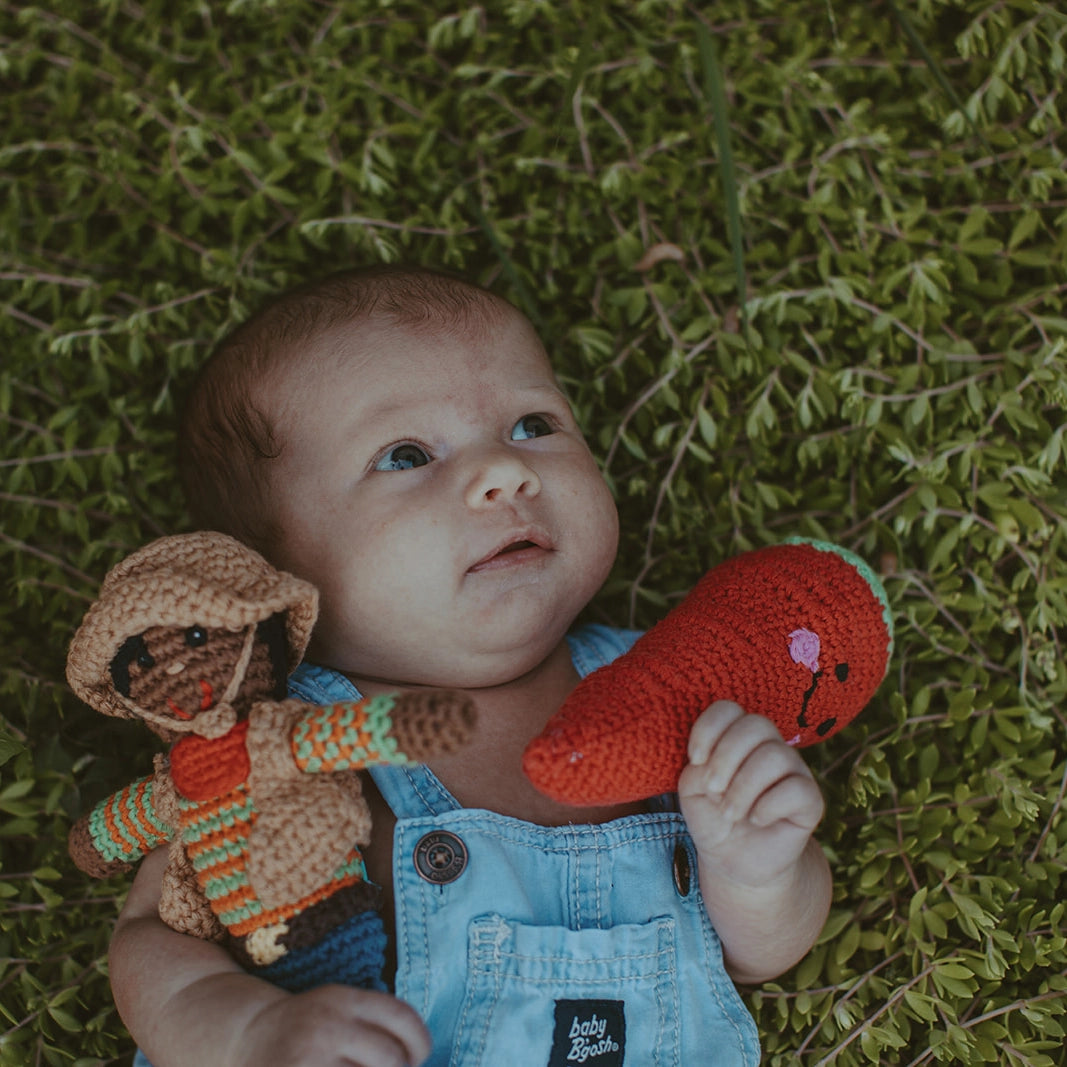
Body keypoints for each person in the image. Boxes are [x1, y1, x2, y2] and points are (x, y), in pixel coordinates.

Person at [109, 264, 831, 1067]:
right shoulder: (271, 752)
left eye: (533, 425)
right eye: (408, 453)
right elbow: (149, 936)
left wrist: (760, 872)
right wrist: (247, 1031)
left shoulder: (678, 695)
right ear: (272, 570)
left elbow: (752, 955)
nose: (505, 471)